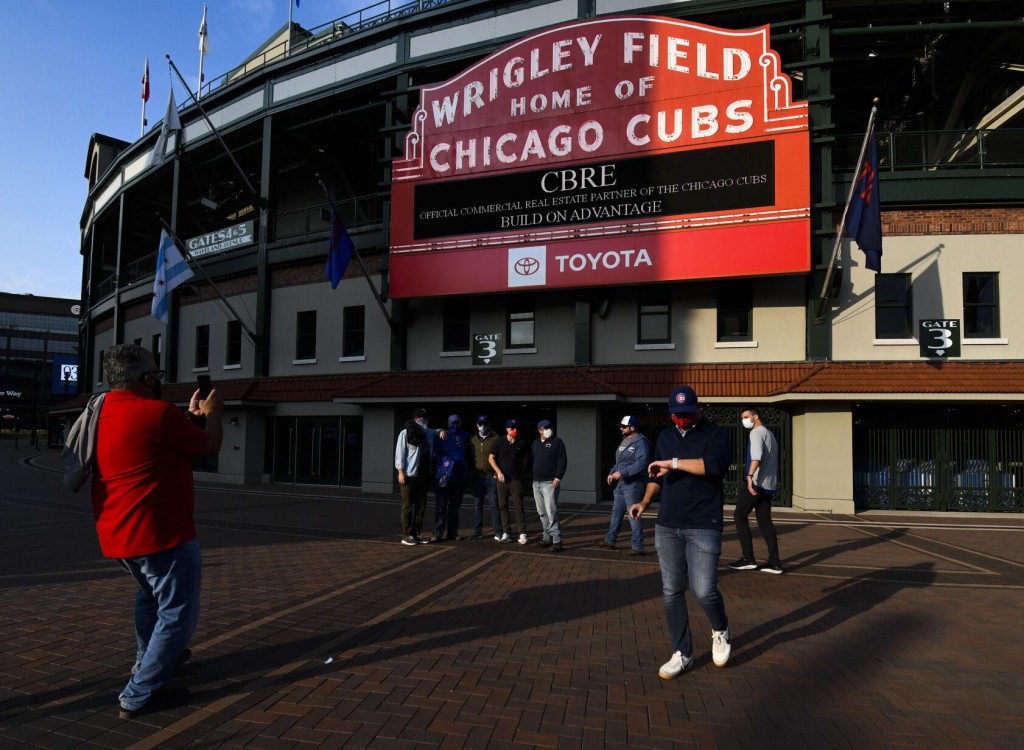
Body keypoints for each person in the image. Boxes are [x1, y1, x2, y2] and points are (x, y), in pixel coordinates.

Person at [90, 344, 223, 719]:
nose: (159, 380)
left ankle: (149, 661)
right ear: (146, 378)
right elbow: (210, 445)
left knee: (150, 597)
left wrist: (192, 417)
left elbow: (159, 443)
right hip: (162, 535)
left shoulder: (100, 410)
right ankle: (140, 693)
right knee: (177, 614)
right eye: (157, 374)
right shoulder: (158, 412)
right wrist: (214, 414)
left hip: (116, 534)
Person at [629, 385, 732, 679]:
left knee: (703, 589)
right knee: (672, 590)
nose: (681, 419)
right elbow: (656, 477)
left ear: (697, 409)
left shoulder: (715, 434)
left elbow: (713, 466)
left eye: (686, 414)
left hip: (703, 523)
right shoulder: (665, 437)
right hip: (668, 524)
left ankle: (720, 629)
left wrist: (672, 463)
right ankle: (682, 652)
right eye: (676, 414)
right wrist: (644, 502)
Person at [730, 407, 782, 574]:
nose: (744, 420)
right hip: (768, 486)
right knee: (765, 521)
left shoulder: (756, 433)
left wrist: (749, 476)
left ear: (755, 417)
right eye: (742, 417)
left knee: (739, 515)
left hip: (757, 483)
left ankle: (748, 558)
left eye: (746, 417)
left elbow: (757, 457)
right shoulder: (770, 434)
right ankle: (774, 563)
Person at [598, 415, 650, 555]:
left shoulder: (640, 442)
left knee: (633, 514)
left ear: (632, 427)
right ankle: (610, 540)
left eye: (624, 427)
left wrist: (623, 472)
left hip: (634, 484)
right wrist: (612, 472)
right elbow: (620, 462)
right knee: (616, 513)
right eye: (620, 426)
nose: (621, 429)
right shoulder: (624, 440)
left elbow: (642, 462)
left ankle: (638, 547)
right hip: (622, 483)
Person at [395, 408, 441, 545]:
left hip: (423, 474)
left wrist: (442, 431)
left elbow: (437, 431)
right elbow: (400, 452)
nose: (423, 419)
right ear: (415, 419)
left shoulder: (428, 432)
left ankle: (416, 533)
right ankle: (407, 534)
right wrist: (400, 471)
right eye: (421, 417)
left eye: (425, 417)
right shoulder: (405, 433)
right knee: (408, 505)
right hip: (409, 474)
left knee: (421, 505)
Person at [489, 418, 531, 544]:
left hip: (515, 479)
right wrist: (498, 472)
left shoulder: (522, 443)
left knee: (519, 506)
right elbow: (491, 458)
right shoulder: (499, 442)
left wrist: (520, 473)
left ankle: (522, 533)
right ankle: (506, 532)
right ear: (507, 429)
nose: (515, 430)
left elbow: (525, 459)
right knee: (502, 506)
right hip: (502, 479)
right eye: (512, 428)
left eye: (516, 428)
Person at [531, 419, 567, 552]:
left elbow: (562, 461)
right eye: (544, 428)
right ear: (539, 430)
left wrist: (557, 478)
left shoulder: (557, 442)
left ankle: (557, 540)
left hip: (549, 483)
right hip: (536, 483)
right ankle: (547, 537)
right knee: (542, 512)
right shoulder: (535, 443)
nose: (548, 430)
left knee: (551, 512)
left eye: (549, 427)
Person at [432, 414, 468, 542]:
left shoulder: (465, 436)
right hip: (444, 476)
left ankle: (452, 532)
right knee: (441, 506)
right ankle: (438, 532)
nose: (454, 425)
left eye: (456, 422)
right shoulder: (442, 436)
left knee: (454, 506)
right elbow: (435, 455)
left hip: (459, 476)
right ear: (448, 423)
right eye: (452, 423)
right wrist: (445, 466)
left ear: (460, 423)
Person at [467, 415, 503, 541]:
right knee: (477, 504)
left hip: (491, 476)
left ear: (489, 424)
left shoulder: (496, 438)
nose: (482, 426)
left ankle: (498, 531)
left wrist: (497, 472)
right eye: (480, 423)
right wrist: (471, 471)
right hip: (477, 476)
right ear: (476, 424)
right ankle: (477, 532)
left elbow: (500, 457)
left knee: (494, 504)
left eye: (485, 423)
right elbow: (469, 456)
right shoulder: (472, 439)